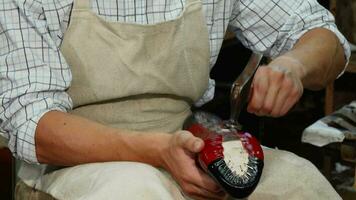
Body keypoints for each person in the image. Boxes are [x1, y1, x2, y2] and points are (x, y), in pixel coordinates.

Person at [0, 0, 350, 199]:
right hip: (68, 161)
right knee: (134, 191)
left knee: (301, 184)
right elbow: (34, 126)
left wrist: (294, 65)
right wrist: (157, 150)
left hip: (186, 142)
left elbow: (323, 34)